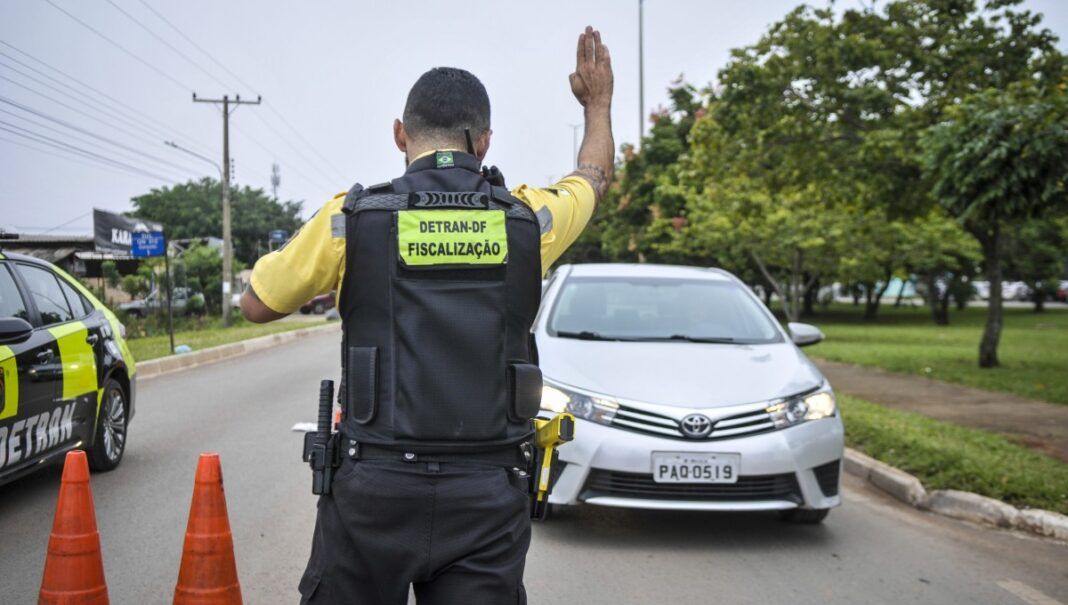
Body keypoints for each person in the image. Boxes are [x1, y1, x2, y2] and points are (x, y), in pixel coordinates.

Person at [240, 26, 615, 605]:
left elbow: (257, 306)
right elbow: (592, 179)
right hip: (489, 493)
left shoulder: (349, 220)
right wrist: (598, 105)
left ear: (400, 135)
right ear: (485, 142)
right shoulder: (529, 221)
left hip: (374, 493)